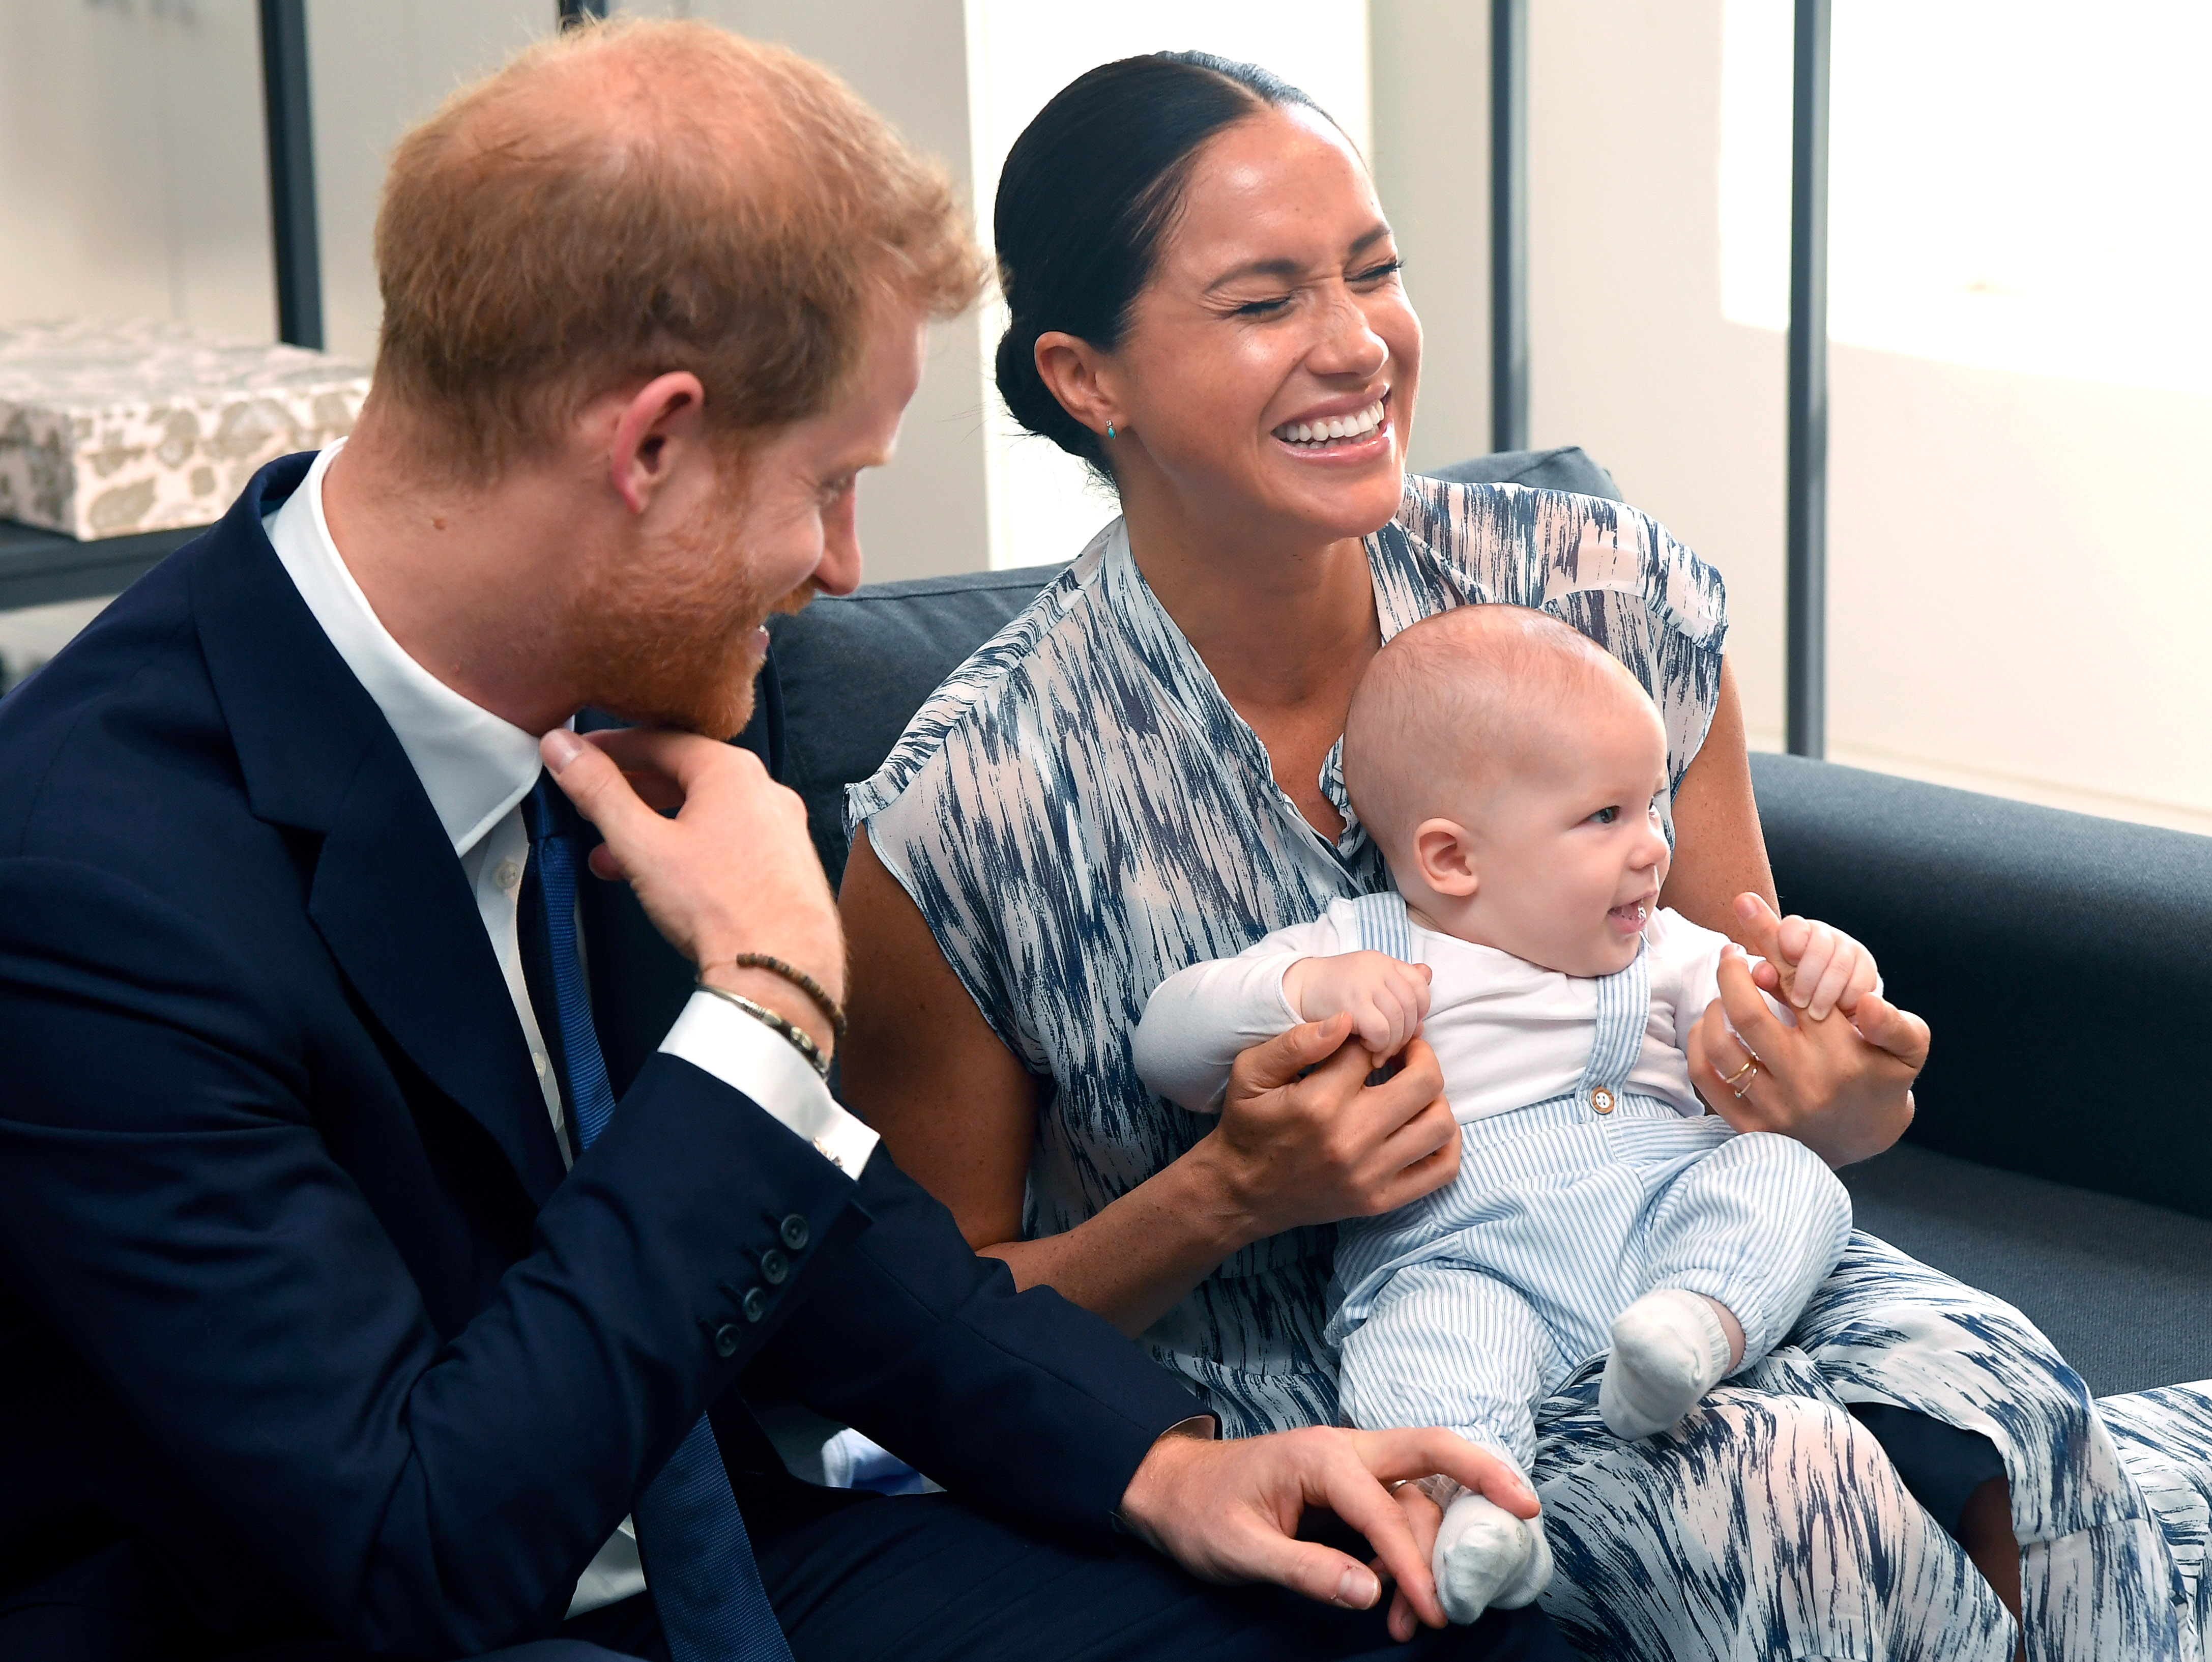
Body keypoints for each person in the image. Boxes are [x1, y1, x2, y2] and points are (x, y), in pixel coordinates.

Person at [0, 22, 1568, 1662]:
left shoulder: (644, 673)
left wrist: (1166, 1463)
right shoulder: (92, 887)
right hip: (357, 1604)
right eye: (828, 484)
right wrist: (759, 1017)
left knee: (1422, 1627)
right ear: (651, 445)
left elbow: (838, 1233)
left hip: (730, 1555)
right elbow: (413, 1543)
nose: (841, 565)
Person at [839, 49, 2183, 1659]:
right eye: (1264, 300)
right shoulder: (969, 809)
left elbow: (1793, 1062)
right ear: (1086, 377)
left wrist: (1837, 1088)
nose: (1356, 345)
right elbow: (921, 1338)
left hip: (1720, 1262)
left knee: (2017, 1407)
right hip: (1384, 1381)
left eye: (1374, 272)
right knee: (1782, 1489)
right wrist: (1224, 1197)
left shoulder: (1597, 596)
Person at [1134, 605, 1883, 1622]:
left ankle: (1694, 1330)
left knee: (1789, 1180)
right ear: (1450, 861)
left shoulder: (1659, 948)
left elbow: (1762, 1020)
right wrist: (1305, 989)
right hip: (1462, 1255)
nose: (1653, 849)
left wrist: (1825, 975)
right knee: (1422, 1343)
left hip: (1664, 1216)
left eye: (1651, 807)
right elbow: (1167, 1044)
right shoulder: (1366, 946)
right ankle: (1479, 1510)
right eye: (1604, 817)